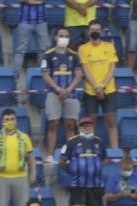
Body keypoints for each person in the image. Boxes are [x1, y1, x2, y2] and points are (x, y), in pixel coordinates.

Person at [41, 27, 84, 158]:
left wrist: (68, 89)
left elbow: (78, 75)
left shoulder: (74, 55)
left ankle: (69, 155)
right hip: (53, 94)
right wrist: (58, 89)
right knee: (53, 124)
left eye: (66, 36)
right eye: (61, 36)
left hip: (71, 94)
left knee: (71, 125)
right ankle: (49, 155)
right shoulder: (48, 55)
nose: (63, 38)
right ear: (56, 37)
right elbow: (45, 75)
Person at [79, 21, 119, 149]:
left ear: (101, 31)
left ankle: (115, 150)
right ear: (89, 32)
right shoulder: (83, 48)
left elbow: (112, 67)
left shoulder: (109, 46)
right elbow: (85, 69)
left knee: (111, 121)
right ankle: (90, 148)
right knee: (91, 121)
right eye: (92, 29)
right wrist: (97, 87)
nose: (95, 31)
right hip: (91, 90)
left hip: (109, 89)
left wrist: (103, 85)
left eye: (97, 29)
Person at [61, 115, 106, 206]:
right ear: (79, 128)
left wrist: (96, 169)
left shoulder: (99, 142)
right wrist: (72, 171)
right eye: (83, 126)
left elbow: (103, 159)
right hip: (77, 184)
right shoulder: (72, 142)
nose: (86, 127)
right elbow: (62, 161)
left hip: (95, 184)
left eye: (88, 125)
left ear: (92, 126)